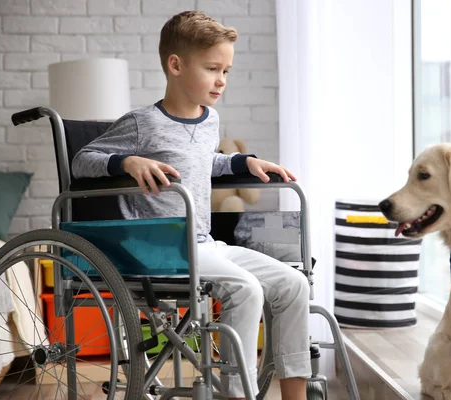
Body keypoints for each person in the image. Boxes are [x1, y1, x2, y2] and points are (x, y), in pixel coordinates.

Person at [72, 10, 311, 400]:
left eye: (227, 71)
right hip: (160, 249)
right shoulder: (142, 124)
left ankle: (295, 395)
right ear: (176, 65)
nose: (221, 80)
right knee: (247, 289)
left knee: (293, 283)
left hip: (203, 245)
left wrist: (240, 162)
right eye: (213, 68)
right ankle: (238, 394)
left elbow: (201, 163)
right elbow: (82, 160)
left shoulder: (210, 120)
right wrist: (128, 161)